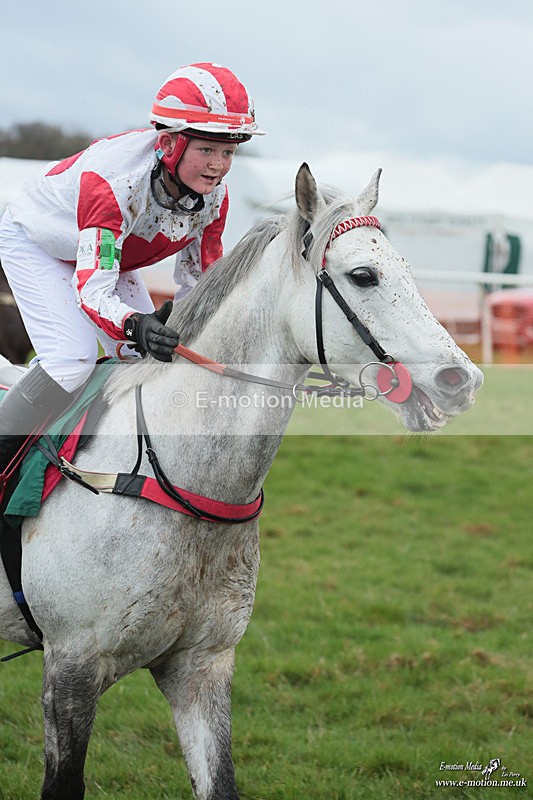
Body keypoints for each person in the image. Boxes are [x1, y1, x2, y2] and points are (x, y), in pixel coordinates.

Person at [0, 62, 264, 477]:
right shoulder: (114, 181)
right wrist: (136, 323)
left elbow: (203, 284)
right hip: (38, 242)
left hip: (109, 255)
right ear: (169, 143)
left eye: (228, 152)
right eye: (207, 150)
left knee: (146, 361)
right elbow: (92, 290)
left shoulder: (215, 197)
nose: (218, 165)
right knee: (72, 359)